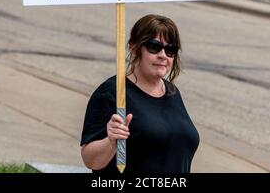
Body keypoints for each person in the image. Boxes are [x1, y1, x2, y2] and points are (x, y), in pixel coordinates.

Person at [80, 14, 200, 174]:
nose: (163, 55)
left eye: (170, 50)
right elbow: (90, 160)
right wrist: (111, 142)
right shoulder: (112, 92)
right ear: (134, 48)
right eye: (154, 46)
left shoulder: (172, 92)